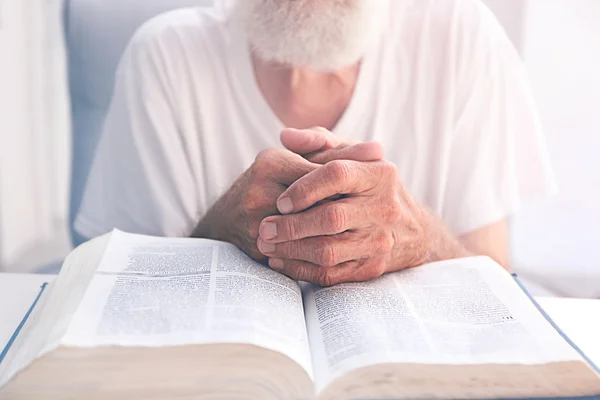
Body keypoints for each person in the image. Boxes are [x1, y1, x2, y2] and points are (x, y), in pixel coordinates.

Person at [74, 0, 556, 286]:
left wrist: (418, 238)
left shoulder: (461, 37)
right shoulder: (165, 56)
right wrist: (219, 231)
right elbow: (123, 297)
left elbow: (495, 295)